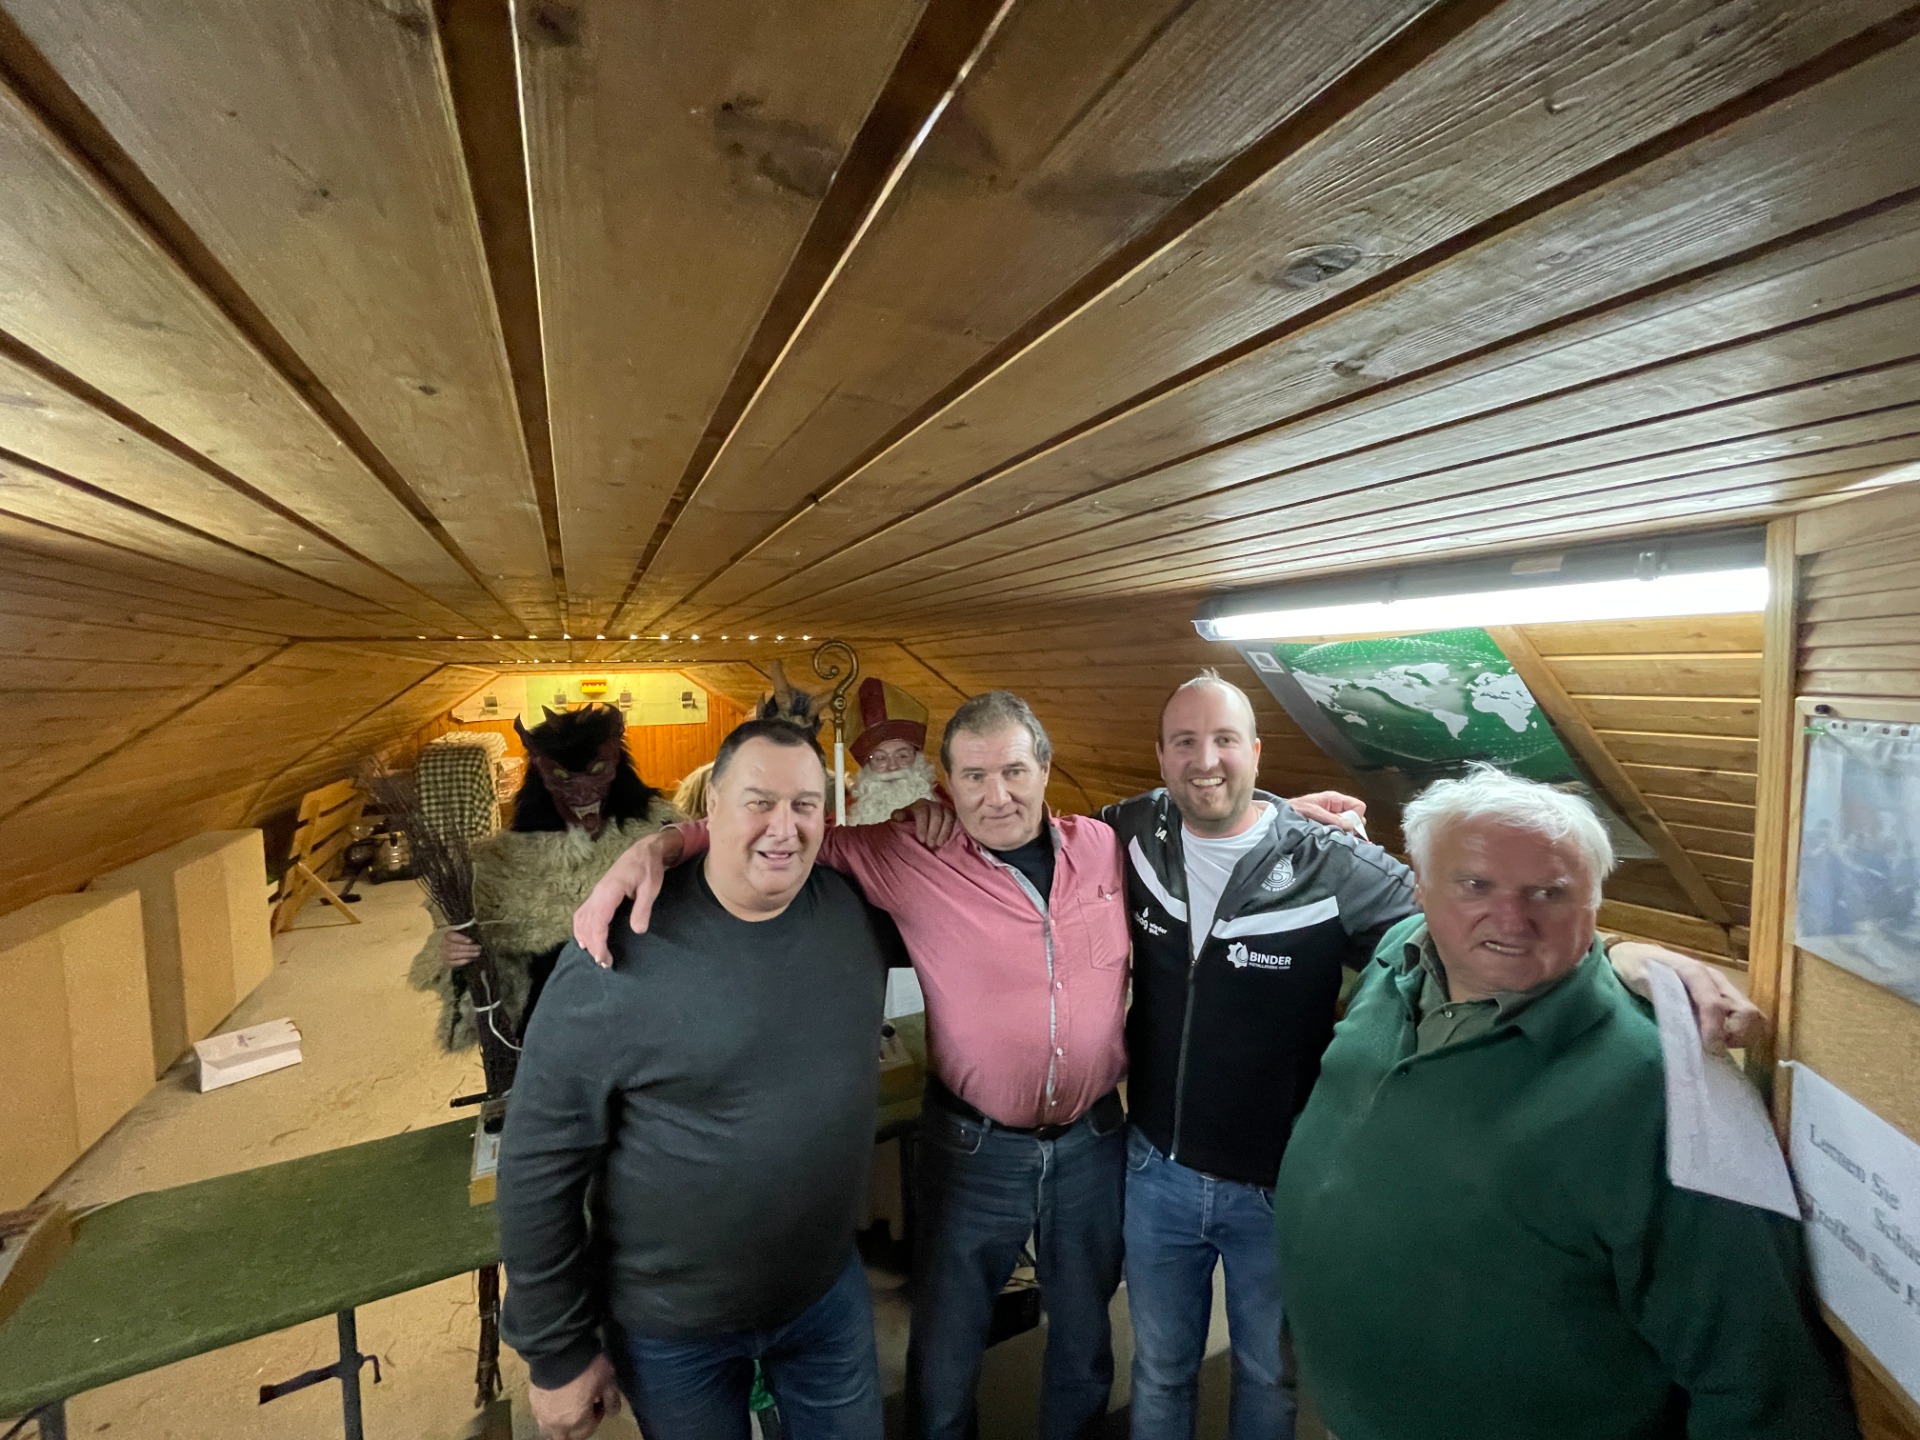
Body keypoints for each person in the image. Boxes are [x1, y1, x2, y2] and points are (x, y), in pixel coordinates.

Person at [1272, 766, 1857, 1440]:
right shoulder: (1397, 960)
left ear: (1594, 904)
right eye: (1475, 884)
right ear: (1421, 889)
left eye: (1549, 892)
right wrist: (1623, 949)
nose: (1511, 918)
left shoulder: (1666, 1090)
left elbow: (1758, 1373)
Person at [497, 718, 905, 1440]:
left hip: (824, 1293)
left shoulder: (853, 912)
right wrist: (557, 1353)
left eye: (805, 805)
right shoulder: (615, 949)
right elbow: (538, 1161)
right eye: (759, 802)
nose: (784, 827)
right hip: (672, 1327)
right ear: (710, 805)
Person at [408, 703, 678, 1050]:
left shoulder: (661, 832)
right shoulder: (504, 860)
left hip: (646, 1003)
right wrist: (453, 949)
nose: (582, 792)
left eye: (596, 771)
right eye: (563, 777)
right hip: (552, 1015)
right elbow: (470, 933)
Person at [844, 678, 939, 826]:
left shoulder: (945, 811)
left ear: (917, 759)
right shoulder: (843, 817)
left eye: (902, 756)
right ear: (867, 766)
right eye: (880, 758)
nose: (892, 766)